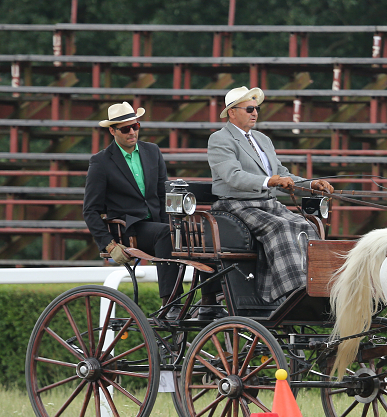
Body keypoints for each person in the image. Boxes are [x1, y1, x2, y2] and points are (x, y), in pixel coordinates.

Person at [83, 102, 221, 319]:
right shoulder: (100, 162)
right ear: (112, 131)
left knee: (204, 230)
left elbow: (163, 194)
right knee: (166, 234)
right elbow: (90, 210)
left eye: (135, 126)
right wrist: (109, 245)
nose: (132, 132)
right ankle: (171, 304)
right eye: (125, 129)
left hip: (159, 223)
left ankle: (209, 301)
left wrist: (182, 219)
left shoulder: (152, 151)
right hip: (130, 229)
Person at [207, 86, 334, 303]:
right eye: (249, 109)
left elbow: (281, 174)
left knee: (307, 225)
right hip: (237, 205)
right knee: (281, 226)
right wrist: (269, 181)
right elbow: (233, 176)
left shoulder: (263, 140)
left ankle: (318, 284)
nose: (255, 113)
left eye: (256, 108)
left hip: (268, 203)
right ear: (232, 112)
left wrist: (311, 184)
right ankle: (292, 290)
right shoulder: (220, 139)